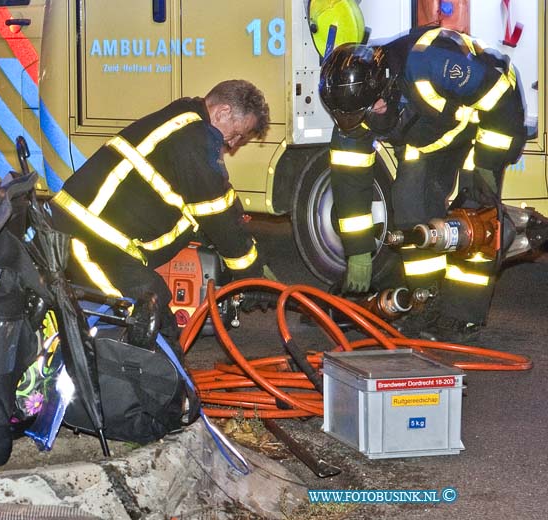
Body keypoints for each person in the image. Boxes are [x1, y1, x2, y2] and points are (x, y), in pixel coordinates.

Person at [318, 26, 526, 343]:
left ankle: (462, 316)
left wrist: (488, 162)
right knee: (409, 208)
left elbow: (500, 95)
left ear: (385, 85)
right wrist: (358, 253)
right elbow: (350, 185)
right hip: (428, 139)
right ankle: (424, 300)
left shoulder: (431, 62)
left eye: (370, 110)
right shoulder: (352, 107)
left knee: (474, 223)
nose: (365, 121)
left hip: (480, 127)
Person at [49, 79, 274, 342]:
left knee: (153, 311)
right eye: (237, 134)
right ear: (223, 112)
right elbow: (219, 216)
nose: (233, 144)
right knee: (147, 319)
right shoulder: (193, 138)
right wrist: (251, 276)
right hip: (85, 242)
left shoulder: (185, 118)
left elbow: (216, 195)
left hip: (92, 236)